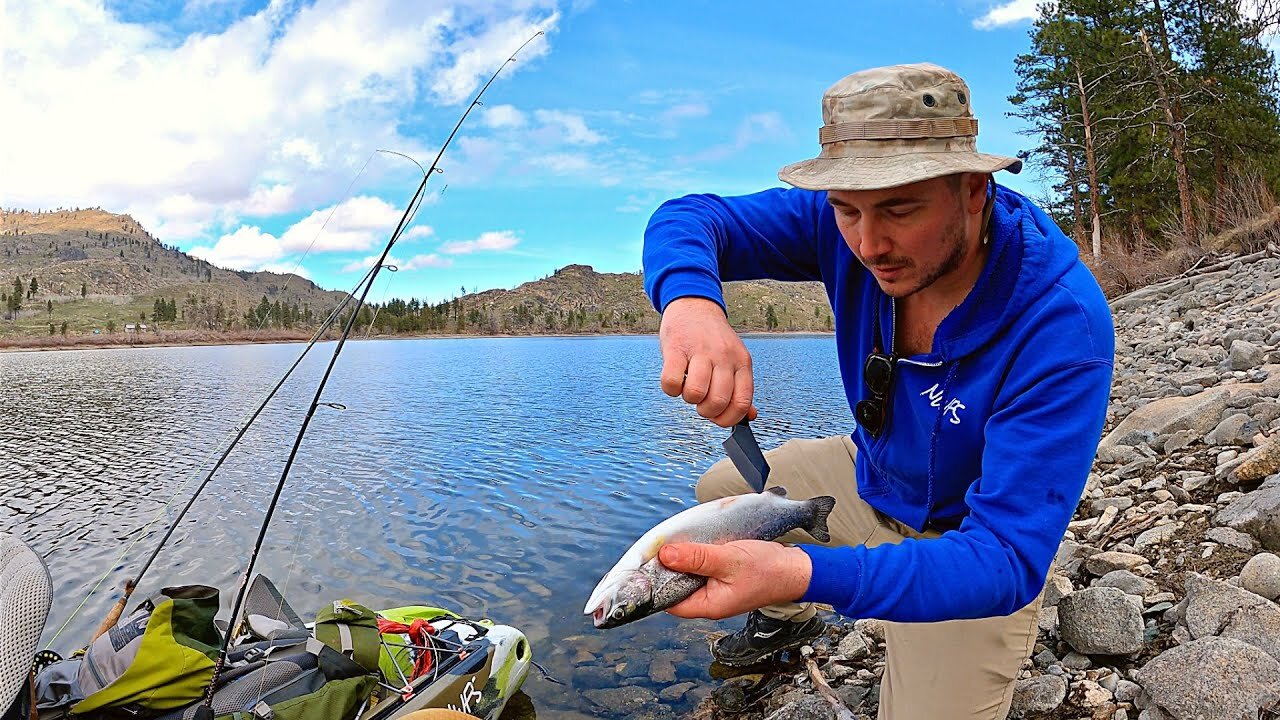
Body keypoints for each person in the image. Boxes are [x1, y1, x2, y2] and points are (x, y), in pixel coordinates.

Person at [641, 63, 1115, 719]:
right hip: (871, 479)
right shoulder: (842, 223)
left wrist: (810, 575)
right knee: (722, 493)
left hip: (964, 541)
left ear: (974, 189)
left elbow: (1005, 559)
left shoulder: (1061, 322)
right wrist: (691, 303)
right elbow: (689, 218)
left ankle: (816, 594)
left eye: (899, 209)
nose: (868, 244)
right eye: (846, 210)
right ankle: (787, 622)